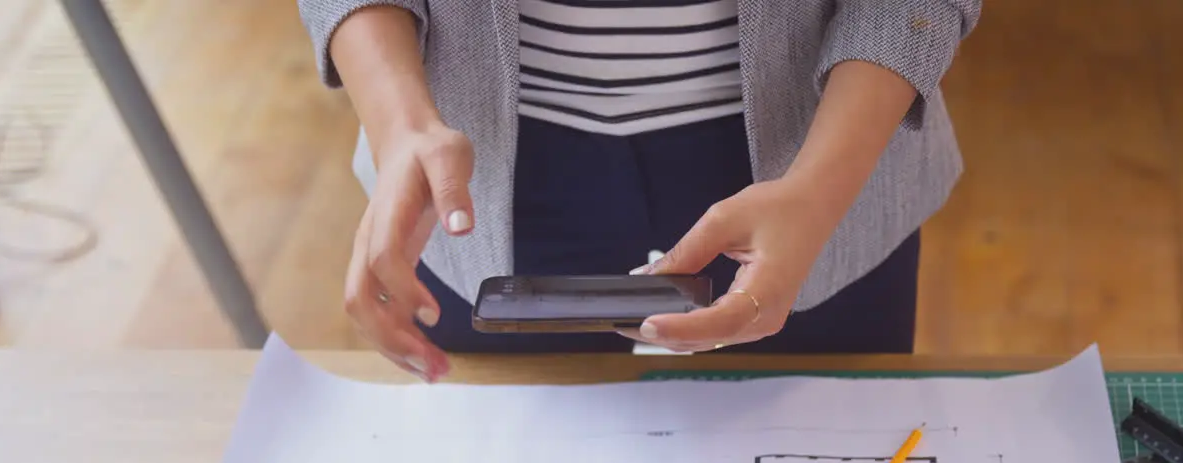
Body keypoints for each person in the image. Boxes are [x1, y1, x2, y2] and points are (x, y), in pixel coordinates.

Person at [296, 1, 982, 381]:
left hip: (820, 146)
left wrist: (820, 185)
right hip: (473, 167)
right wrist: (398, 121)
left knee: (832, 440)